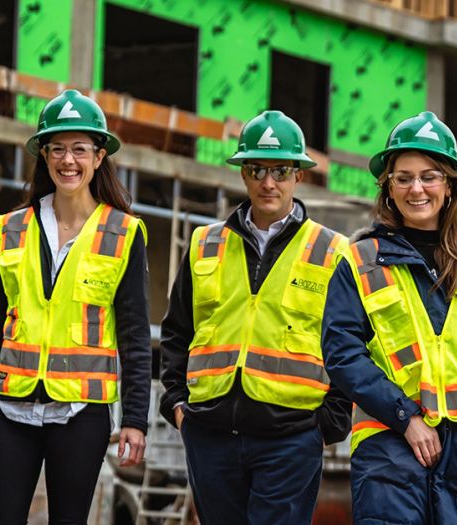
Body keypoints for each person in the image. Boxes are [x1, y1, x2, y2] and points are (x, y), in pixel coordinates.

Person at [321, 111, 457, 524]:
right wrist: (405, 418)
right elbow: (342, 352)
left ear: (449, 186)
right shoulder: (360, 260)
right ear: (389, 188)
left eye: (429, 176)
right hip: (388, 444)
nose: (417, 188)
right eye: (404, 177)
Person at [0, 89, 151, 524]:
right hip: (11, 409)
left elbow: (135, 335)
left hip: (81, 412)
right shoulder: (11, 228)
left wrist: (135, 420)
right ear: (43, 156)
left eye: (80, 150)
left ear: (99, 157)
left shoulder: (123, 233)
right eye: (58, 149)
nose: (69, 161)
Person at [159, 110, 352, 524]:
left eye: (280, 170)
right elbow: (177, 331)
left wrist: (329, 424)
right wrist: (177, 404)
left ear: (299, 175)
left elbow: (349, 344)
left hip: (292, 438)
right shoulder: (204, 243)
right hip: (210, 434)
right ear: (243, 174)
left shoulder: (333, 251)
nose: (269, 182)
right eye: (257, 169)